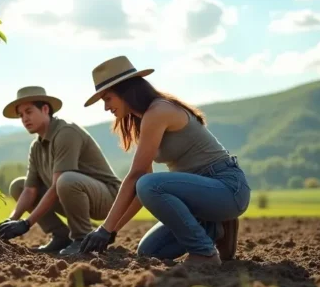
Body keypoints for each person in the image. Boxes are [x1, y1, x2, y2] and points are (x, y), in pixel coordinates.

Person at [78, 56, 250, 266]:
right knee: (150, 251)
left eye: (107, 98)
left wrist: (104, 229)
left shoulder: (159, 111)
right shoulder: (145, 121)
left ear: (124, 90)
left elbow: (138, 177)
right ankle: (218, 228)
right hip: (200, 198)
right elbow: (141, 191)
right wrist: (112, 229)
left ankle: (205, 254)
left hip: (227, 188)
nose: (106, 108)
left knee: (148, 184)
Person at [0, 86, 122, 255]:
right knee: (18, 185)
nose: (24, 119)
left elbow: (57, 185)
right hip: (72, 194)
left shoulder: (66, 132)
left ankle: (82, 239)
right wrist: (12, 220)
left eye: (29, 112)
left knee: (66, 179)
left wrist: (27, 223)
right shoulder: (36, 146)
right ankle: (61, 236)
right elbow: (30, 190)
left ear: (45, 109)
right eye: (21, 115)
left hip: (108, 199)